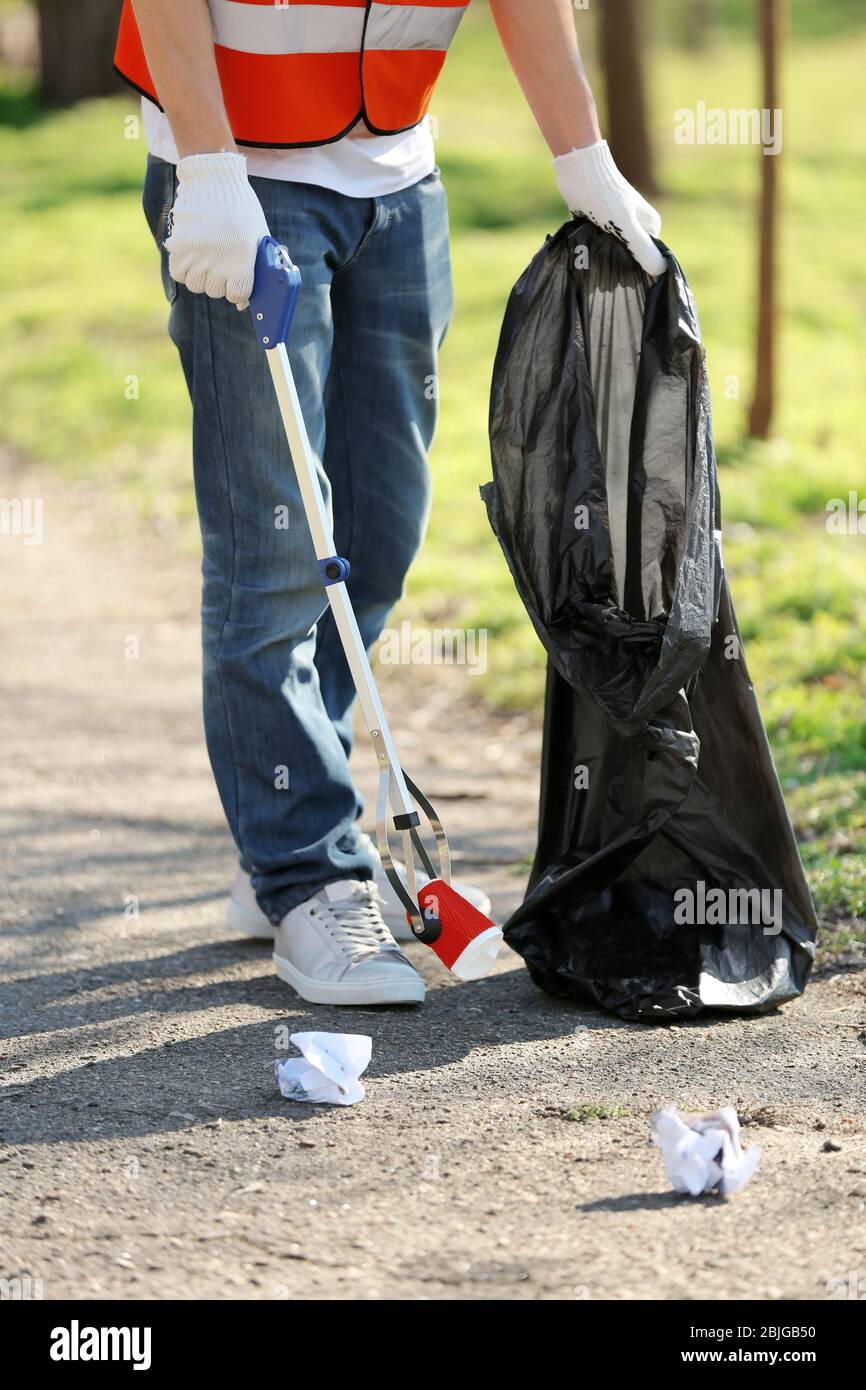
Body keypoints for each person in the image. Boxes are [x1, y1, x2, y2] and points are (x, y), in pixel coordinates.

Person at [115, 0, 665, 1008]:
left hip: (398, 182)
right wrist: (205, 165)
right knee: (279, 545)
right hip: (244, 178)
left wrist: (580, 151)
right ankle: (307, 871)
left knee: (376, 533)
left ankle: (284, 823)